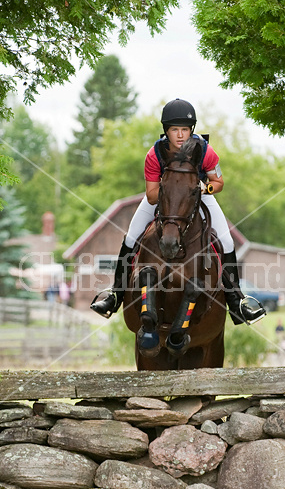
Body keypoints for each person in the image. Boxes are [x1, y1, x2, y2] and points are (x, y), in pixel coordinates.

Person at [91, 98, 265, 325]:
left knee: (228, 242)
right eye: (175, 130)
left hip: (199, 195)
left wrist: (204, 187)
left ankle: (236, 302)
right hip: (163, 198)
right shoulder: (154, 155)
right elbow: (152, 195)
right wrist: (172, 186)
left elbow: (219, 182)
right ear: (166, 131)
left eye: (185, 130)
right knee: (132, 236)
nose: (181, 135)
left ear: (191, 130)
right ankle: (116, 294)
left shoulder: (205, 151)